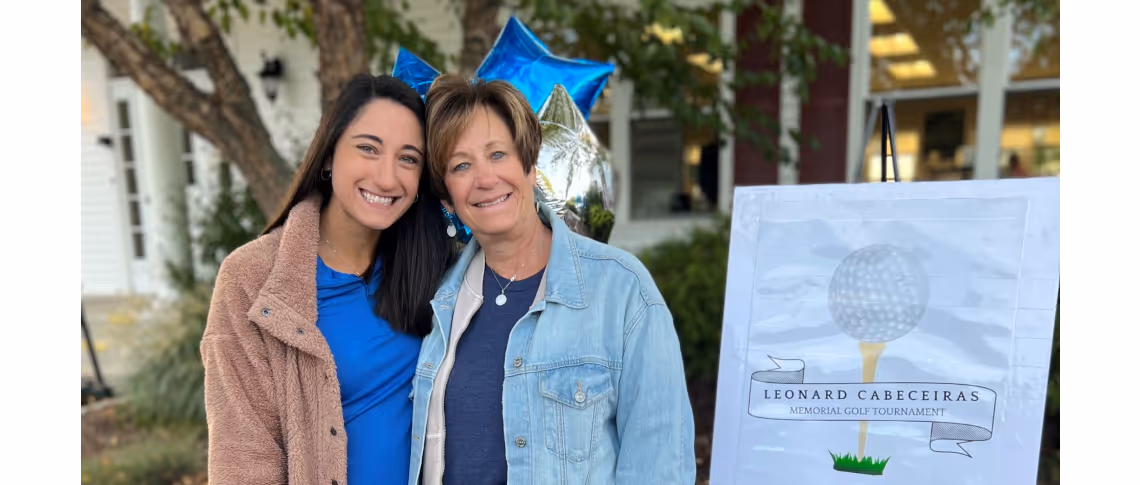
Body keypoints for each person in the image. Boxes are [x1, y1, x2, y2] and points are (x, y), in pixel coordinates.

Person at [408, 74, 695, 485]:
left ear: (529, 164)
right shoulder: (438, 302)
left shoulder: (621, 290)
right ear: (447, 197)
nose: (484, 178)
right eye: (461, 165)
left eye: (498, 155)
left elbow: (661, 467)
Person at [200, 74, 455, 485]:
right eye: (368, 149)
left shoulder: (437, 269)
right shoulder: (253, 278)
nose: (387, 178)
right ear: (328, 156)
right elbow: (243, 458)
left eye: (408, 158)